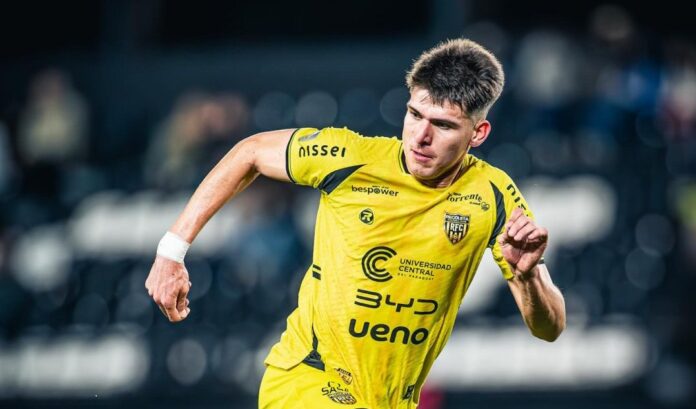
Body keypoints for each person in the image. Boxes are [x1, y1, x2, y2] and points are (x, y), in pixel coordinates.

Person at [145, 38, 566, 408]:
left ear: (478, 133)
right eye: (414, 114)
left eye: (442, 126)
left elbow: (550, 328)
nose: (420, 136)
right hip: (306, 380)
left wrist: (528, 276)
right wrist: (171, 252)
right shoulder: (352, 158)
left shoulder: (494, 195)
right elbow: (250, 152)